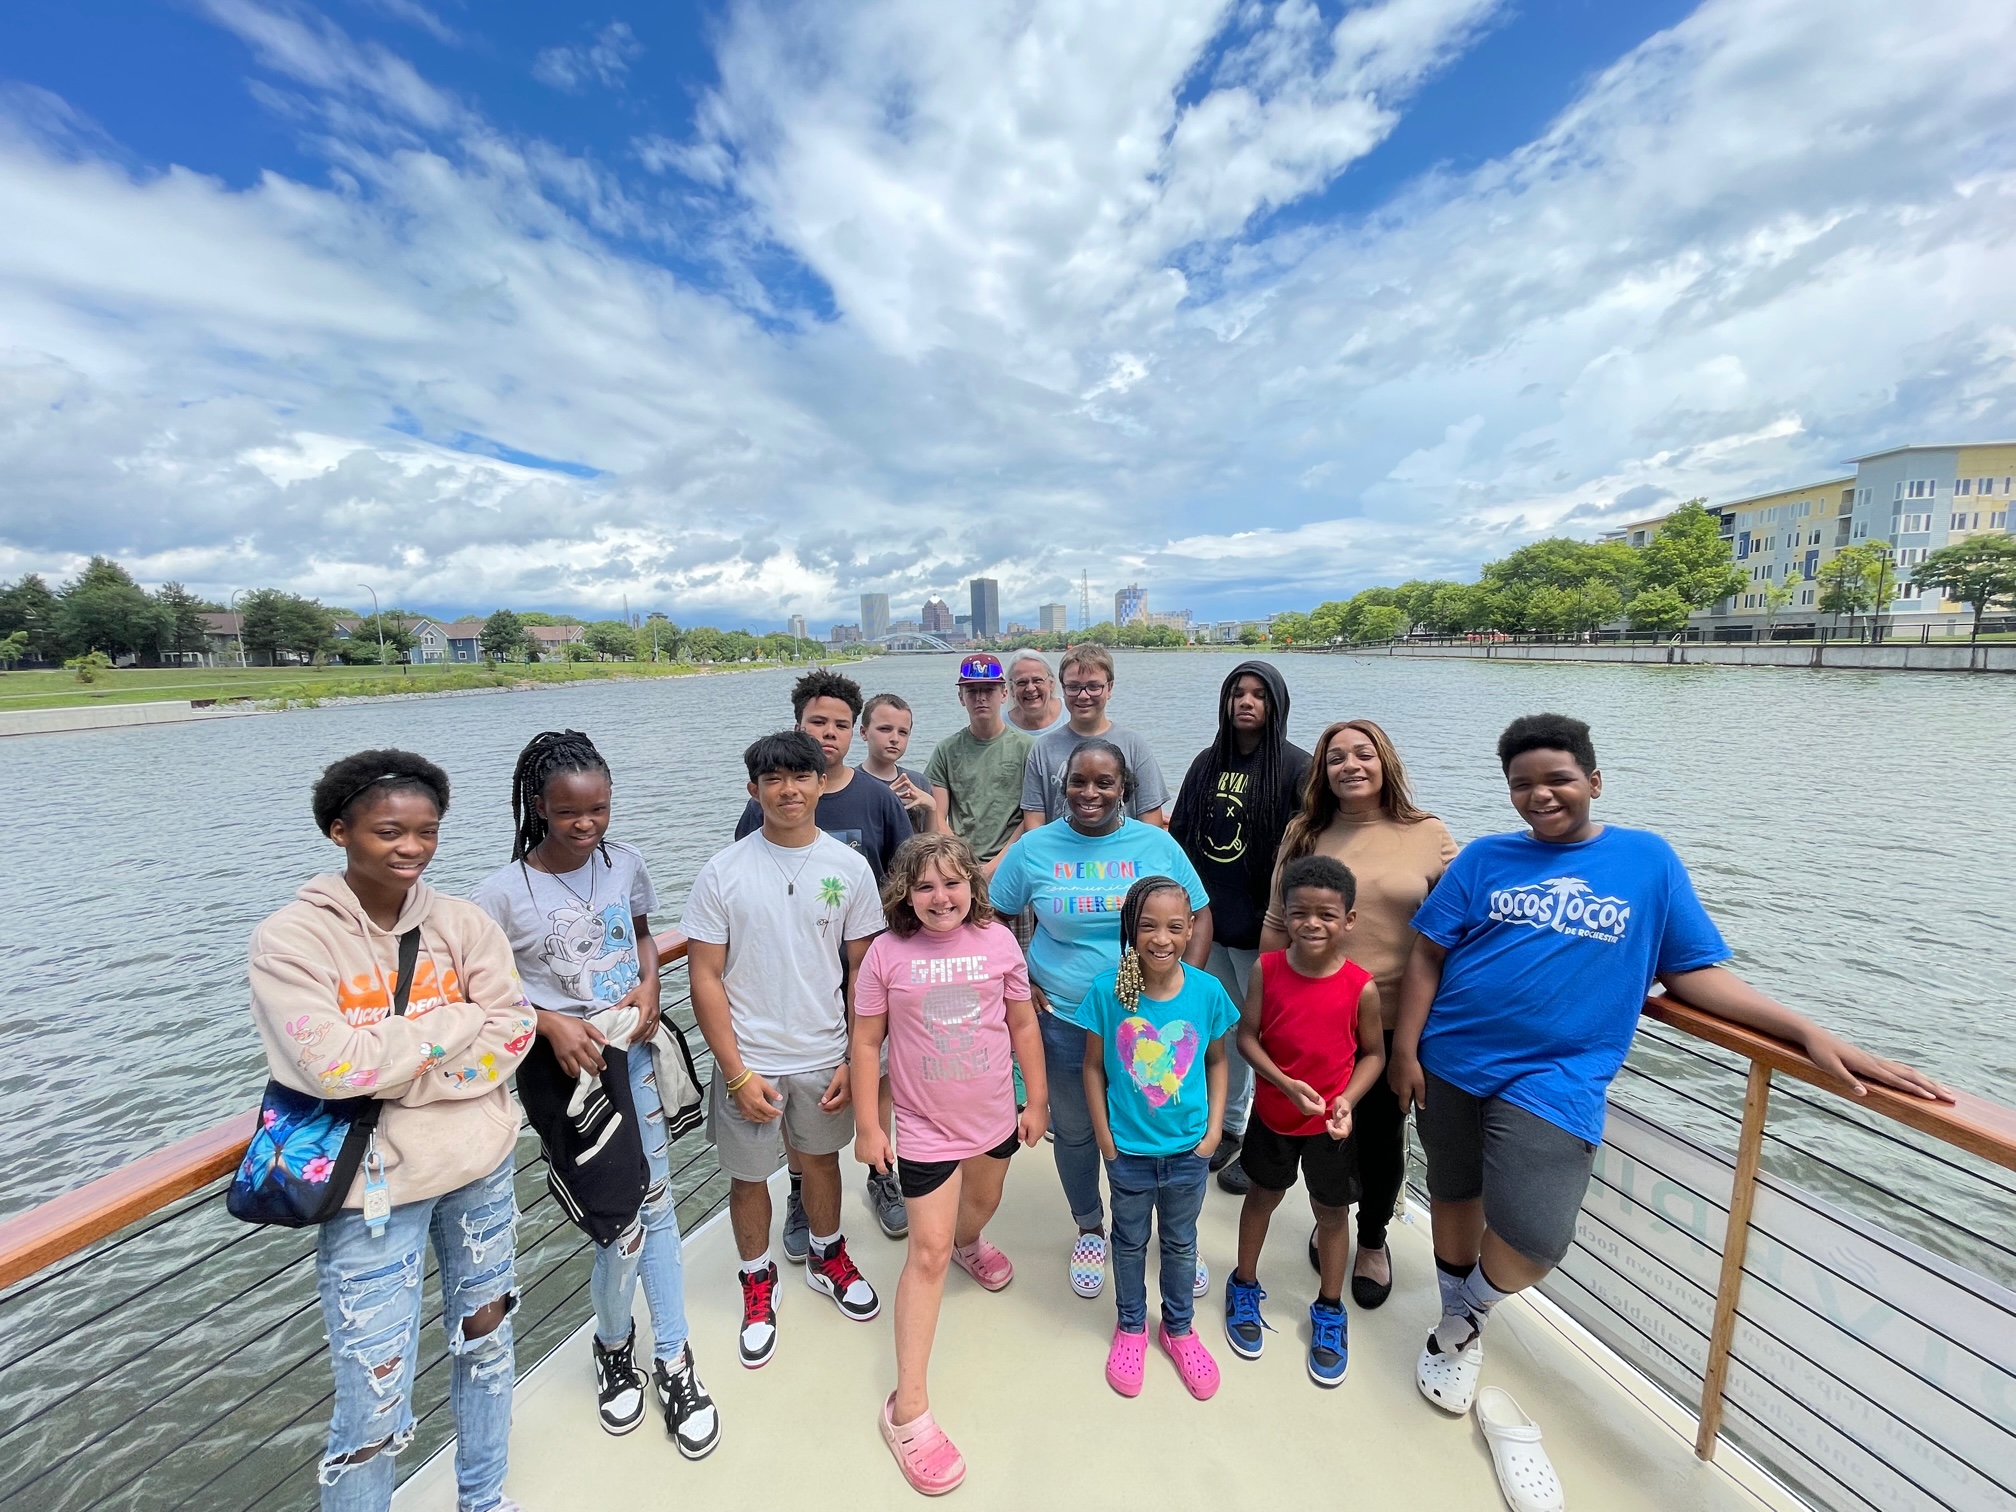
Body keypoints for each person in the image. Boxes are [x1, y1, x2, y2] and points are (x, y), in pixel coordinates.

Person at [1391, 712, 1950, 1419]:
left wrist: (1806, 1031)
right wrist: (1408, 1051)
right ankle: (1455, 1324)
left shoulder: (1647, 862)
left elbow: (1692, 974)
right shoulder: (1483, 860)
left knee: (1534, 1236)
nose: (1540, 795)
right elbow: (1428, 955)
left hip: (1557, 1077)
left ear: (1594, 781)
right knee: (1454, 1189)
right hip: (1452, 1058)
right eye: (1521, 783)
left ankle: (1465, 1316)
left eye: (1558, 779)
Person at [248, 750, 535, 1512]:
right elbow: (334, 1069)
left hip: (480, 1166)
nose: (411, 846)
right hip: (370, 1192)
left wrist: (402, 1068)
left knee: (488, 1339)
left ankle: (483, 1497)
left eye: (426, 831)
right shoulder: (290, 942)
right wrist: (451, 1023)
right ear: (339, 831)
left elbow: (511, 1033)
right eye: (388, 831)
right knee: (374, 1392)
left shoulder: (463, 923)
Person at [472, 730, 717, 1456]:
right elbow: (483, 992)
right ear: (537, 806)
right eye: (571, 813)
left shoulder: (625, 863)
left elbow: (642, 934)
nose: (587, 826)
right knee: (618, 1220)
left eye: (600, 810)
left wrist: (650, 982)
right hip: (569, 1076)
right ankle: (614, 1346)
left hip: (633, 1051)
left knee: (658, 1204)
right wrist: (547, 1021)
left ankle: (673, 1358)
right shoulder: (499, 895)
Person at [850, 833, 1049, 1495]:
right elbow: (866, 1040)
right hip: (926, 1131)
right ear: (906, 892)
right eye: (927, 885)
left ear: (973, 886)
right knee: (927, 1254)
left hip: (994, 1116)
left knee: (982, 1209)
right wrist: (870, 1125)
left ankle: (972, 1241)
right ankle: (907, 1410)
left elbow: (1022, 1024)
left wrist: (1036, 1099)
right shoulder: (886, 953)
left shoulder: (997, 943)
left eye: (954, 883)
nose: (942, 897)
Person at [686, 731, 888, 1370]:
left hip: (824, 1050)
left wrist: (856, 1061)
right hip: (751, 1057)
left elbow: (863, 973)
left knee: (822, 1162)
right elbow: (704, 978)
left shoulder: (848, 867)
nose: (789, 789)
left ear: (820, 783)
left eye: (801, 776)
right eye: (773, 780)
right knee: (749, 1178)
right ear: (754, 790)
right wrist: (737, 1071)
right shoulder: (724, 871)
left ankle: (828, 1255)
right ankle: (756, 1278)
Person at [990, 739, 1213, 1301]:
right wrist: (1021, 982)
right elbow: (991, 917)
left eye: (1104, 783)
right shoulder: (1034, 847)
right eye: (1078, 781)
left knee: (1161, 1124)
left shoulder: (1155, 844)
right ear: (1062, 783)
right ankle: (1091, 1227)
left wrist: (1186, 993)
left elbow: (1201, 912)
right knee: (1078, 1130)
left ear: (1124, 789)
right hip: (1065, 1019)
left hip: (1152, 1024)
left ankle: (1176, 1236)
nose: (1090, 793)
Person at [1258, 718, 1458, 1306]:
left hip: (1398, 1017)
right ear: (1322, 771)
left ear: (1385, 762)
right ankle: (1331, 1219)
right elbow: (1276, 925)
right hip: (1316, 1018)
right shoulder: (1304, 832)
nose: (1350, 765)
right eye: (1335, 757)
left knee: (1380, 1134)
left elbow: (1462, 922)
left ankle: (1371, 1237)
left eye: (1363, 754)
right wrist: (1270, 1009)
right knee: (1323, 1131)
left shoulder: (1427, 833)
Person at [735, 667, 912, 1249]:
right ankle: (798, 1189)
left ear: (853, 731)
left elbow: (905, 877)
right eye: (818, 721)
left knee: (874, 1076)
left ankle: (882, 1170)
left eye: (840, 724)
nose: (829, 733)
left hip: (864, 971)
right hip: (791, 982)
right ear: (798, 724)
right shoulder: (766, 801)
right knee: (795, 1094)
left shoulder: (877, 799)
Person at [1223, 855, 1384, 1388]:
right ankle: (1244, 1283)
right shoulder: (1265, 970)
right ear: (1284, 916)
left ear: (1349, 920)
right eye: (1300, 913)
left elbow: (1373, 1056)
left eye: (1327, 915)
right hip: (1271, 1116)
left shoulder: (1361, 987)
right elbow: (1247, 1037)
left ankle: (1330, 1309)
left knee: (1331, 1213)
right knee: (1261, 1199)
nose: (1313, 924)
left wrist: (1346, 1101)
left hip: (1329, 1129)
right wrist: (1283, 1083)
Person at [1076, 875, 1239, 1400]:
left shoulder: (1208, 991)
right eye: (1148, 926)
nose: (1162, 938)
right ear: (1131, 929)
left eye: (1175, 926)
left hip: (1188, 1152)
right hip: (1127, 1154)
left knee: (1180, 1240)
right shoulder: (1107, 991)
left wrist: (1214, 1132)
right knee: (1127, 1243)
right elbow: (1093, 1068)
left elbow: (1217, 1062)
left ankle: (1179, 1328)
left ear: (1192, 927)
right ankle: (1130, 1326)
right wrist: (1105, 1140)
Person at [1169, 659, 1311, 1197]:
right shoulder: (1208, 763)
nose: (1246, 703)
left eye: (1258, 695)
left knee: (1267, 1037)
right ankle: (1227, 1125)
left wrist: (1287, 921)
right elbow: (1180, 835)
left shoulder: (1298, 767)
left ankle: (1264, 1140)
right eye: (1237, 694)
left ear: (1276, 704)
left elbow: (1305, 850)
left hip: (1265, 930)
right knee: (1220, 1031)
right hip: (1211, 925)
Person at [1019, 644, 1170, 829]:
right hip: (1061, 856)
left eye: (1093, 686)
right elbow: (1034, 825)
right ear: (1063, 689)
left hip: (1121, 856)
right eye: (1073, 687)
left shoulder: (1134, 745)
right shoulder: (1043, 749)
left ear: (1110, 688)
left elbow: (1151, 822)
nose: (1083, 696)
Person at [925, 654, 1033, 879]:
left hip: (1013, 863)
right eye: (972, 691)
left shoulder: (1028, 748)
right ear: (961, 697)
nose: (981, 697)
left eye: (988, 690)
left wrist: (994, 866)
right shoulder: (946, 750)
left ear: (1004, 694)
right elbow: (937, 815)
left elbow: (1030, 818)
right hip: (959, 865)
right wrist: (963, 863)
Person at [860, 692, 935, 834]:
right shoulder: (853, 783)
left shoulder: (919, 782)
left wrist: (931, 808)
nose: (895, 738)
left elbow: (931, 843)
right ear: (864, 732)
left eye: (903, 732)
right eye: (885, 729)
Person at [1005, 652, 1068, 735]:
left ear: (1051, 684)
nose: (1030, 689)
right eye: (1022, 682)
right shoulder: (1002, 726)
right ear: (1012, 688)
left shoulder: (1071, 712)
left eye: (1037, 680)